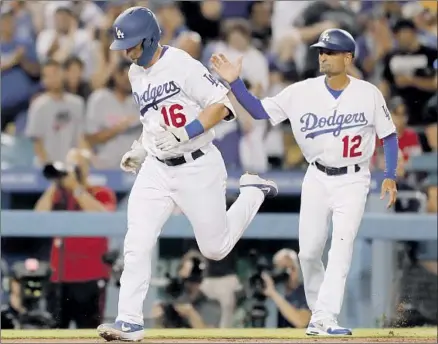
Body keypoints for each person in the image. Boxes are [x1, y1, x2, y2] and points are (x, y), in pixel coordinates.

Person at [97, 6, 278, 342]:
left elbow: (223, 106)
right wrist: (140, 146)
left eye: (132, 45)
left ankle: (252, 192)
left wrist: (187, 132)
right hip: (157, 167)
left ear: (150, 39)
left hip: (197, 164)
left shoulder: (180, 63)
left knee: (215, 248)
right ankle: (129, 321)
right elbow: (153, 120)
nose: (127, 53)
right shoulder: (136, 74)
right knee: (137, 240)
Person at [211, 28, 398, 336]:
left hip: (353, 179)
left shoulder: (368, 93)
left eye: (330, 52)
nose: (322, 56)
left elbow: (389, 137)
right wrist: (234, 82)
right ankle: (317, 314)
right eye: (320, 51)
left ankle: (325, 317)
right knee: (309, 252)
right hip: (317, 176)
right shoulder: (301, 91)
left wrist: (390, 176)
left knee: (341, 246)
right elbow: (258, 110)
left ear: (348, 57)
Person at [35, 148, 116, 328]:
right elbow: (38, 217)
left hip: (90, 278)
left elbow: (102, 217)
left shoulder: (101, 192)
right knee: (53, 333)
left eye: (77, 165)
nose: (73, 170)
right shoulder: (59, 194)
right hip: (59, 278)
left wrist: (77, 189)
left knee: (89, 332)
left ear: (87, 168)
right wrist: (55, 184)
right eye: (69, 165)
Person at [261, 249, 310, 328]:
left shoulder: (306, 292)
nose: (289, 273)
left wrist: (273, 294)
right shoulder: (271, 290)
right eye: (284, 269)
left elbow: (301, 321)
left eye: (292, 268)